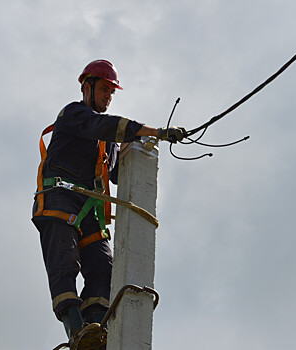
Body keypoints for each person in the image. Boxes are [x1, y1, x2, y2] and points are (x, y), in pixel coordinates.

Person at [31, 59, 184, 343]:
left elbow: (114, 173)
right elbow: (103, 125)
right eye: (104, 89)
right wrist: (154, 131)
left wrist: (142, 145)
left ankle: (94, 330)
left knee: (103, 267)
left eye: (111, 91)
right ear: (86, 87)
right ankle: (76, 330)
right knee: (65, 264)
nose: (108, 96)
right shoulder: (73, 114)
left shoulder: (107, 140)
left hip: (89, 210)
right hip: (59, 200)